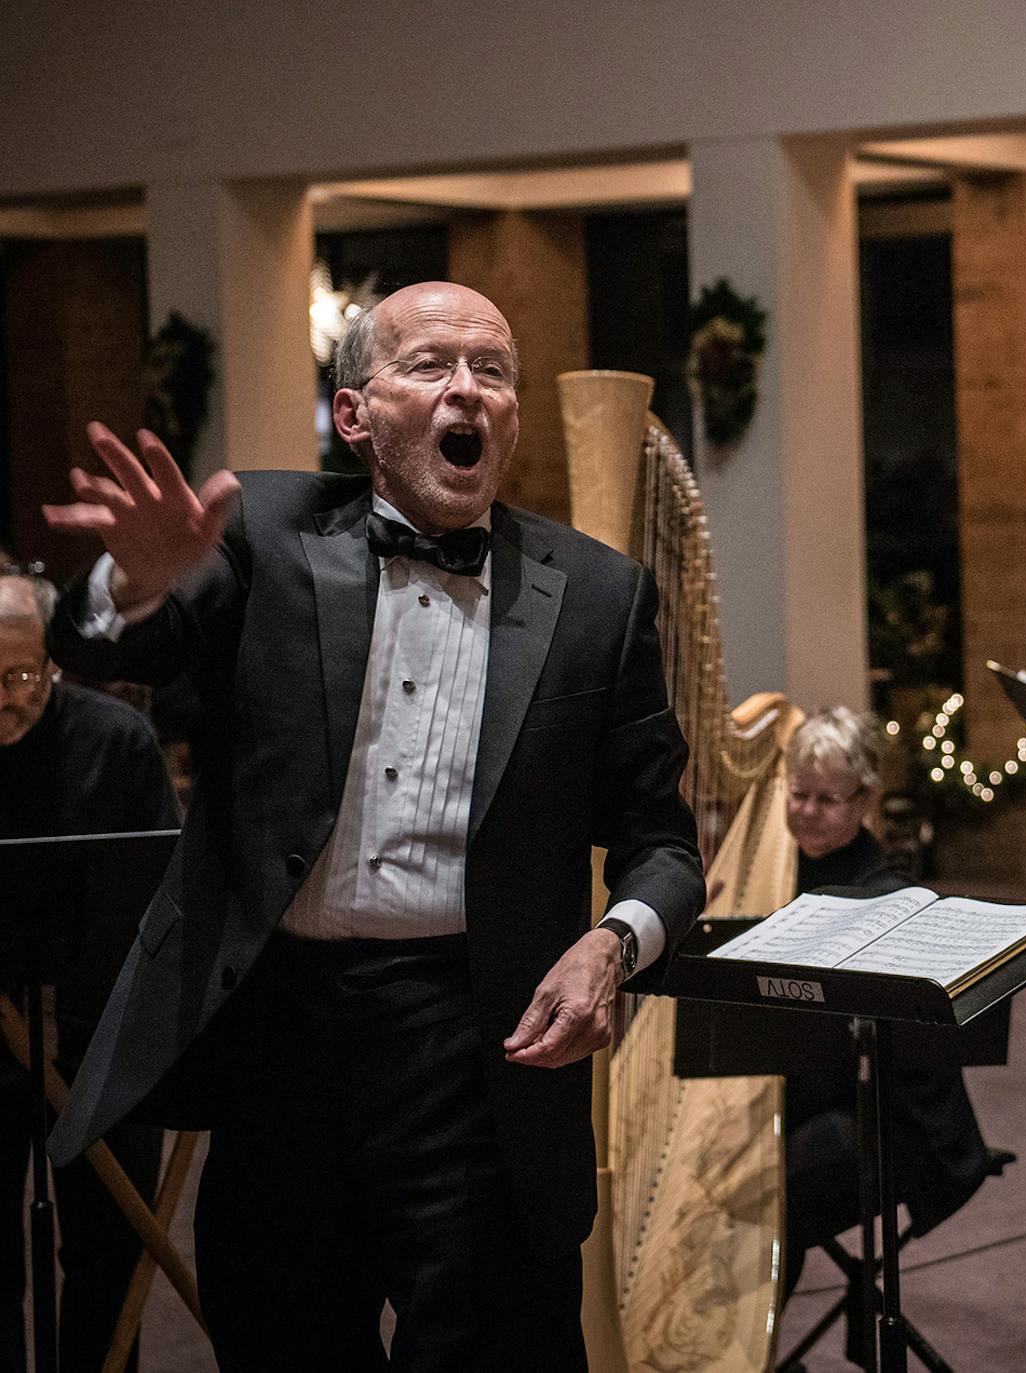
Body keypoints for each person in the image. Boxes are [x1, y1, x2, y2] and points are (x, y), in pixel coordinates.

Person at [39, 282, 707, 1370]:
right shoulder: (261, 532)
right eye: (433, 366)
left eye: (492, 371)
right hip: (281, 1035)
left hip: (483, 1043)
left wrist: (613, 941)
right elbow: (119, 647)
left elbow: (663, 843)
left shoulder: (598, 595)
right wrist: (134, 582)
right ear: (354, 416)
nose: (468, 391)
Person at [0, 570, 179, 1373]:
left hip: (101, 1036)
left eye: (18, 677)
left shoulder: (117, 743)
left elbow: (162, 905)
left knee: (110, 1255)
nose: (2, 699)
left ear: (55, 661)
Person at [776, 708, 991, 1302]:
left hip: (888, 1114)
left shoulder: (886, 894)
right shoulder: (774, 875)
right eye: (799, 794)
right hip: (806, 1098)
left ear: (866, 798)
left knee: (766, 1194)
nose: (809, 811)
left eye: (829, 799)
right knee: (724, 1178)